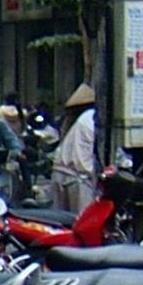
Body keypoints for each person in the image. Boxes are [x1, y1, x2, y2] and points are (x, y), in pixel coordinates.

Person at [51, 81, 101, 216]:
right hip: (79, 177)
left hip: (60, 172)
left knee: (60, 223)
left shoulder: (74, 122)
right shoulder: (91, 118)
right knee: (82, 221)